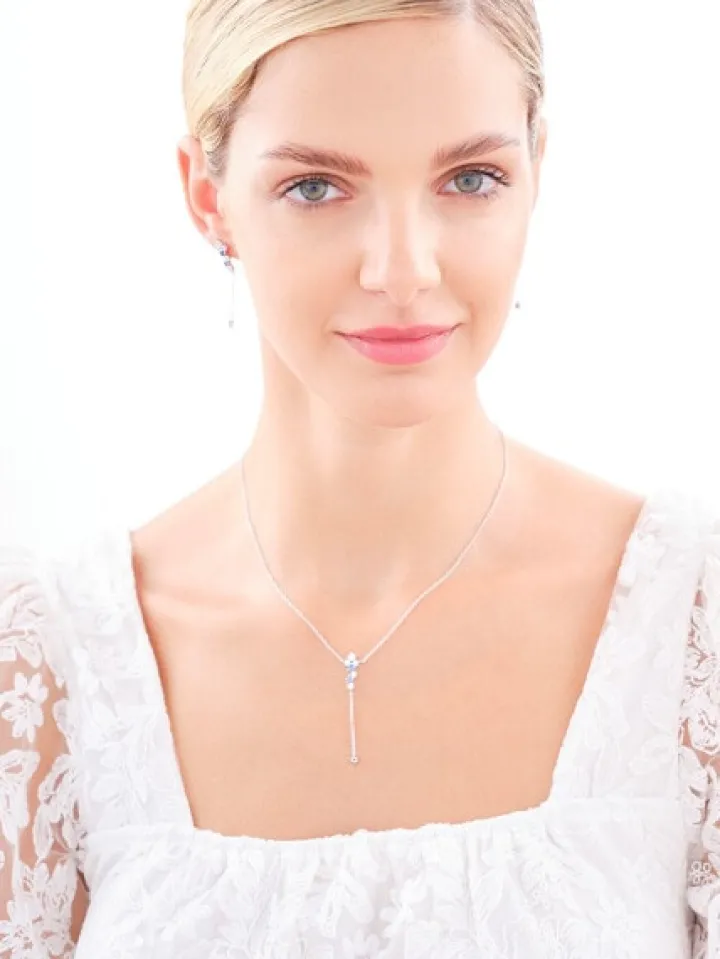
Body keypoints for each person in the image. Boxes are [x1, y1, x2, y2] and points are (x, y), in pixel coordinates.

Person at [1, 0, 718, 954]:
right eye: (316, 187)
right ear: (208, 197)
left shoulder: (689, 628)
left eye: (471, 178)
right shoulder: (54, 669)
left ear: (536, 169)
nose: (403, 269)